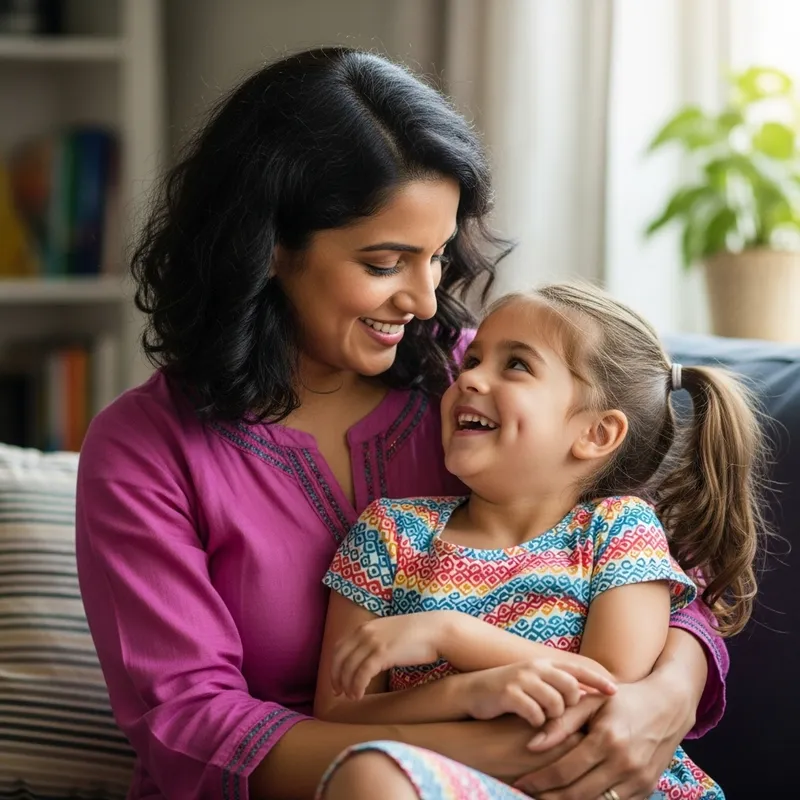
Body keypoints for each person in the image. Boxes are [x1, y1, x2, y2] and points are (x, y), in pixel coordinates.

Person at [75, 47, 729, 800]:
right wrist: (511, 748)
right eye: (386, 263)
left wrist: (659, 700)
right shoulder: (144, 451)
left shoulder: (471, 382)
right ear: (271, 249)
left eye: (439, 256)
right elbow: (190, 727)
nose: (423, 300)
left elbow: (660, 559)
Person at [315, 283, 768, 799]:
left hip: (602, 789)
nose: (469, 379)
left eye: (516, 366)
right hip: (452, 783)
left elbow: (605, 693)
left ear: (596, 434)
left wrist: (449, 636)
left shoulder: (618, 530)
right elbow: (337, 714)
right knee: (367, 775)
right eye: (473, 360)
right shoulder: (388, 533)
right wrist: (467, 691)